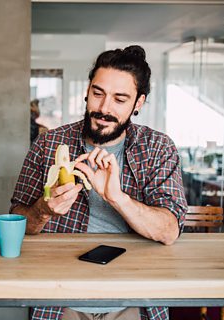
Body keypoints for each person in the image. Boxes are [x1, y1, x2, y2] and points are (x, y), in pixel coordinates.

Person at [11, 45, 188, 320]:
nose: (104, 108)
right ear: (87, 90)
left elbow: (169, 231)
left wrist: (117, 197)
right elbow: (17, 221)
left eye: (120, 99)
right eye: (98, 94)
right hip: (59, 299)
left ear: (138, 103)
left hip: (135, 299)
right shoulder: (48, 144)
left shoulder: (158, 148)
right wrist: (43, 210)